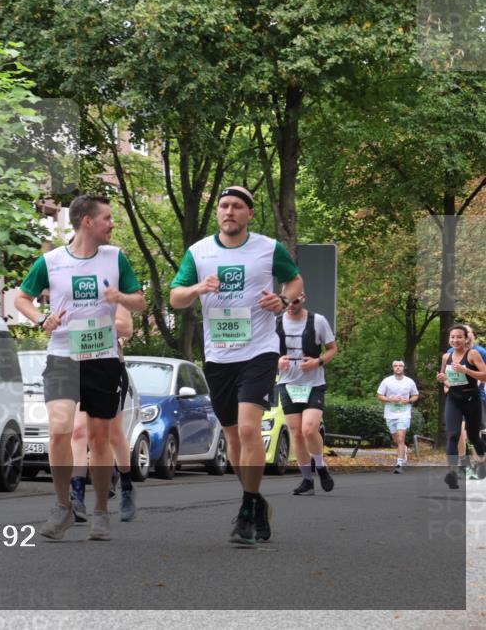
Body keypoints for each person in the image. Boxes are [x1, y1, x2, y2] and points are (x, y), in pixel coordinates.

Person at [169, 186, 303, 545]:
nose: (229, 211)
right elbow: (175, 297)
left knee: (247, 430)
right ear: (218, 213)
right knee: (232, 438)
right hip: (218, 356)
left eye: (237, 206)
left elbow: (294, 280)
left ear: (249, 214)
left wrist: (284, 299)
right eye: (224, 206)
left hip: (259, 350)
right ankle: (257, 502)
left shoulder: (267, 248)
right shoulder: (199, 252)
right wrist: (198, 287)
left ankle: (246, 507)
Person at [16, 194, 146, 541]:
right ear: (88, 222)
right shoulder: (51, 261)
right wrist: (41, 319)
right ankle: (63, 507)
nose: (112, 224)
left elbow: (141, 301)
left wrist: (120, 298)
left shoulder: (116, 258)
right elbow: (21, 298)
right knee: (60, 429)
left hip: (103, 359)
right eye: (107, 218)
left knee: (99, 438)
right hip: (62, 356)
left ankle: (101, 511)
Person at [68, 305, 138, 523]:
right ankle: (77, 496)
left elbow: (126, 327)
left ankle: (126, 485)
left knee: (113, 435)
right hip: (76, 365)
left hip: (109, 367)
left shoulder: (112, 288)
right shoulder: (69, 287)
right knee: (78, 432)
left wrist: (89, 325)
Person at [275, 293, 338, 495]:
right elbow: (263, 351)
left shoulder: (317, 321)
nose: (291, 306)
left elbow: (332, 349)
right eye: (287, 302)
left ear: (303, 298)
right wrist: (276, 362)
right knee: (297, 433)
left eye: (295, 301)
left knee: (310, 429)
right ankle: (307, 480)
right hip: (287, 383)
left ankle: (321, 467)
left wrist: (317, 362)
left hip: (313, 383)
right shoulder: (275, 322)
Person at [436, 325, 486, 489]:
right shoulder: (446, 356)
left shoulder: (472, 354)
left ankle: (482, 459)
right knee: (453, 434)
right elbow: (444, 376)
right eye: (452, 337)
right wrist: (442, 378)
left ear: (466, 339)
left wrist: (465, 370)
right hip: (454, 399)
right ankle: (451, 473)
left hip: (472, 400)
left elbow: (485, 375)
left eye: (459, 337)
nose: (455, 340)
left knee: (473, 437)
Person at [377, 361, 420, 473]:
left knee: (401, 438)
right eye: (395, 366)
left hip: (404, 413)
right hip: (390, 414)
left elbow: (415, 395)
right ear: (393, 368)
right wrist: (391, 399)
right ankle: (403, 449)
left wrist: (409, 400)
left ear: (404, 368)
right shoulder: (387, 381)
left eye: (400, 366)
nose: (398, 367)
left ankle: (399, 464)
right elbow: (379, 395)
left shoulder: (409, 381)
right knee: (396, 440)